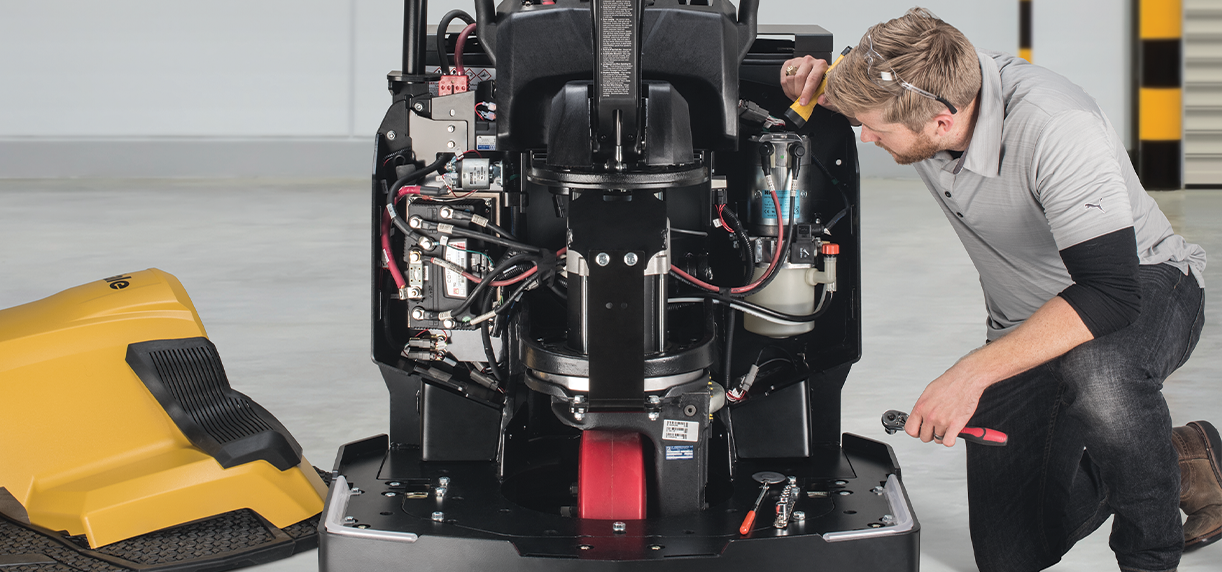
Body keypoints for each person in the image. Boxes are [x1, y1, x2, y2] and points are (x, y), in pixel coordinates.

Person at [779, 8, 1220, 572]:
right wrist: (809, 83)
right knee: (1009, 555)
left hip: (1145, 284)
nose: (865, 134)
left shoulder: (1059, 126)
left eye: (875, 129)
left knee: (1101, 375)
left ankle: (1149, 558)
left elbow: (1109, 292)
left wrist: (972, 373)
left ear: (942, 123)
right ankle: (1177, 460)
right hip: (1026, 319)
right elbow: (850, 87)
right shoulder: (906, 85)